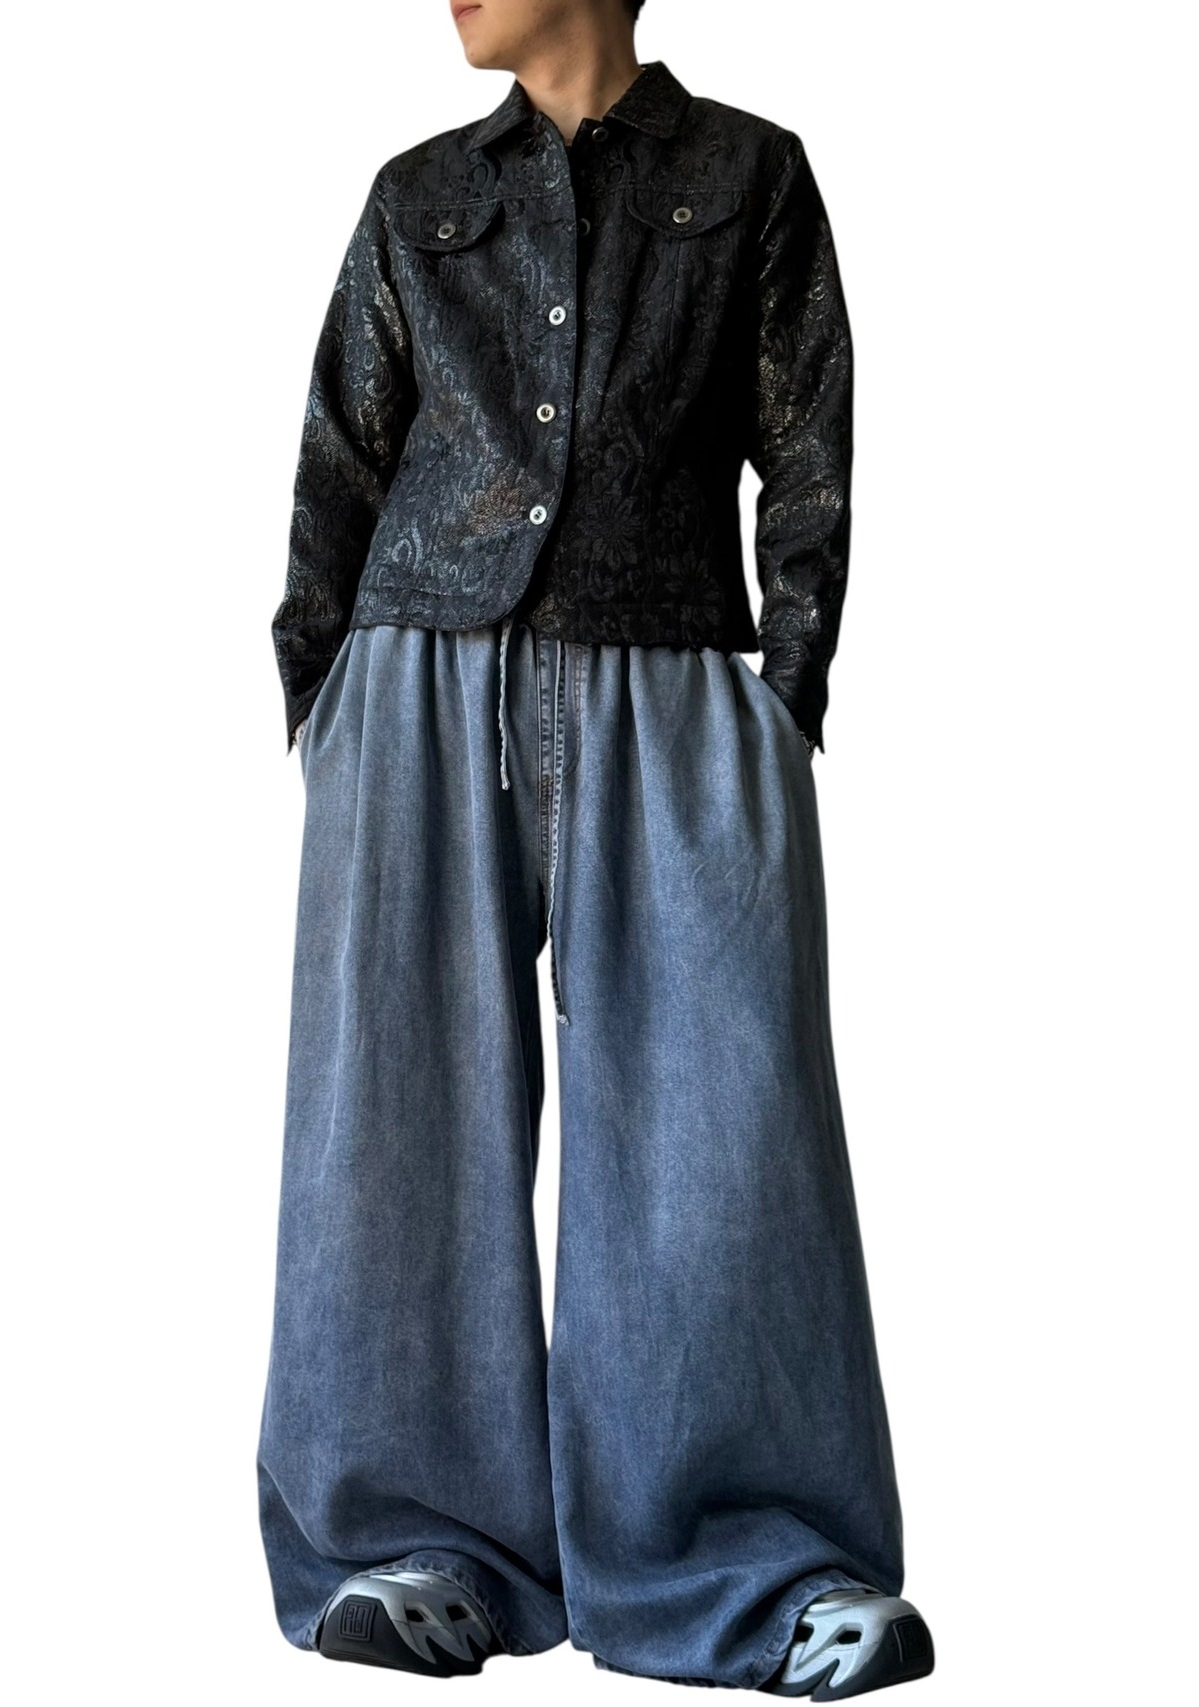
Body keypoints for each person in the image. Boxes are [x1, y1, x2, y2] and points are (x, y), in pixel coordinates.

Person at [257, 2, 935, 1697]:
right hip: (415, 681)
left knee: (723, 1120)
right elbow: (342, 452)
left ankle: (756, 1564)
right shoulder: (420, 193)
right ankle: (415, 1543)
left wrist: (782, 699)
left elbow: (809, 456)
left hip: (675, 680)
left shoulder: (750, 176)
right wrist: (320, 694)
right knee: (394, 1122)